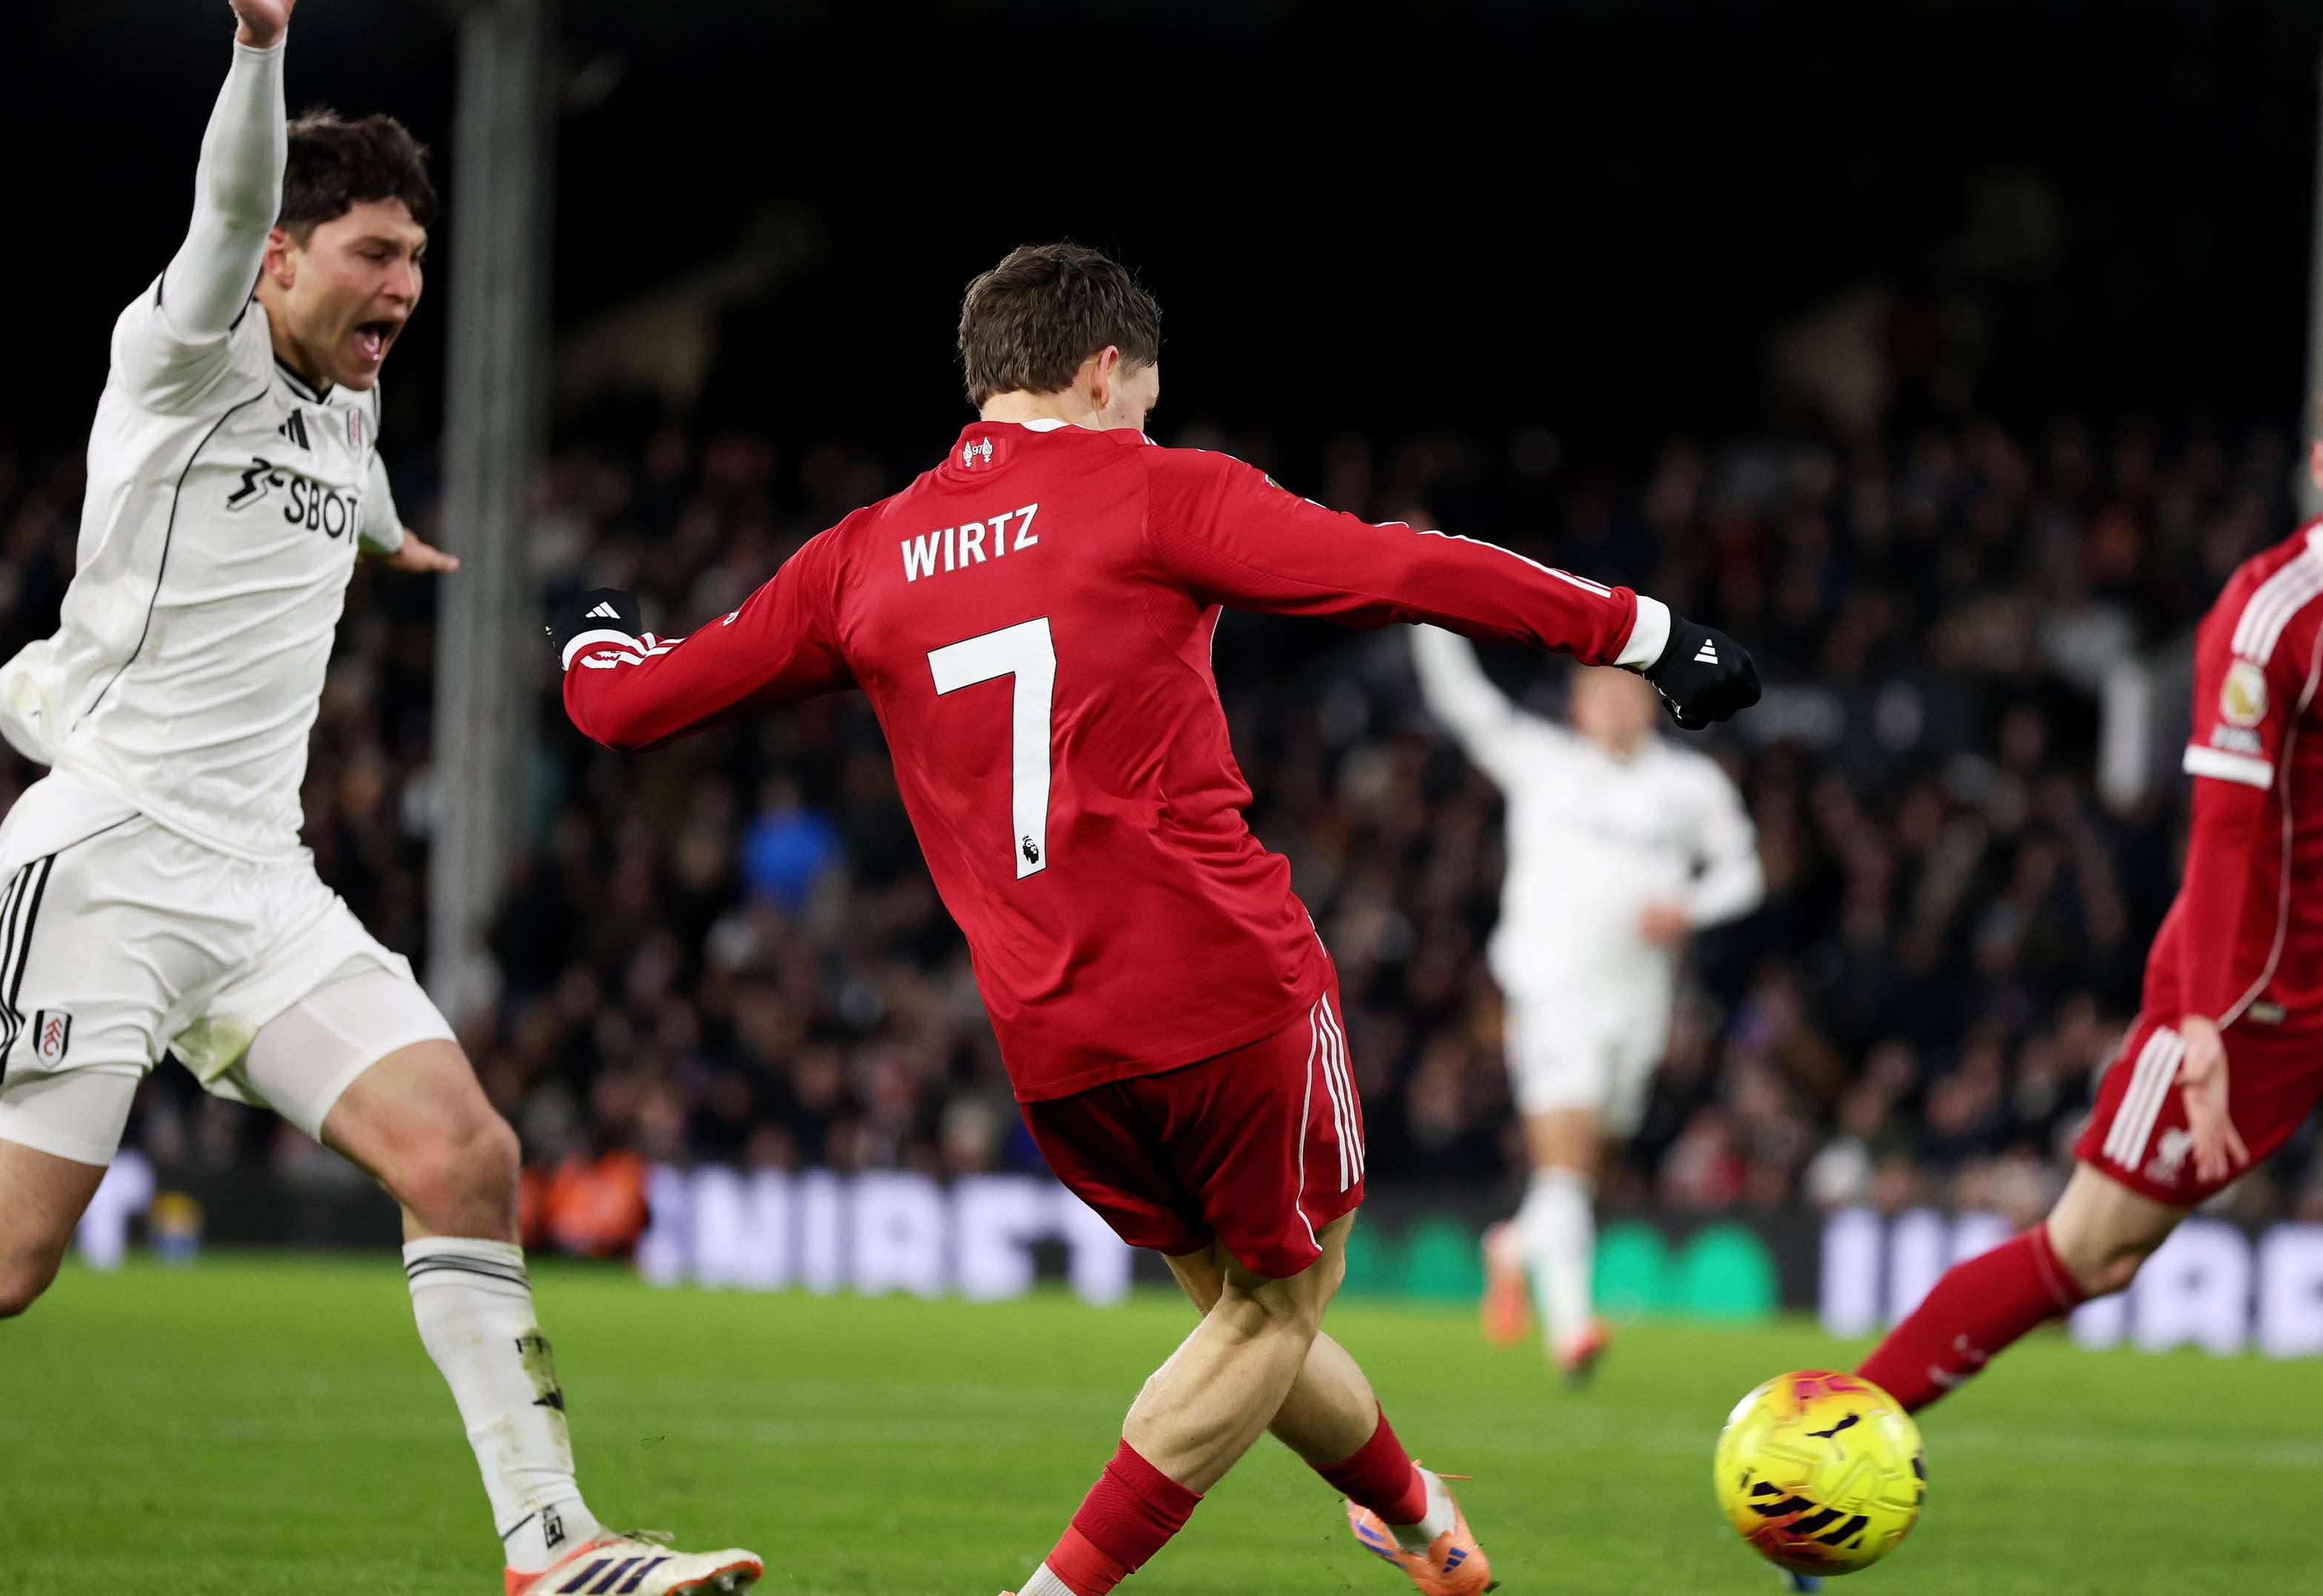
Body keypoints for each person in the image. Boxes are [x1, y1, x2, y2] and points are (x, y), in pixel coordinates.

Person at [550, 242, 1763, 1596]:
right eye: (1146, 395)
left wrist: (593, 626)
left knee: (1250, 1320)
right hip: (1222, 990)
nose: (1149, 418)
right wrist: (1648, 635)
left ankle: (1417, 1519)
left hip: (1050, 1039)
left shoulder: (862, 556)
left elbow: (625, 707)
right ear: (1101, 369)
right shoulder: (1151, 491)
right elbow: (1407, 570)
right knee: (1277, 1313)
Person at [0, 7, 760, 1593]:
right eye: (373, 253)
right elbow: (224, 206)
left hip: (265, 890)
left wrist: (388, 533)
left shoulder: (349, 402)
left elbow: (346, 466)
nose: (404, 286)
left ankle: (555, 1549)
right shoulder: (185, 351)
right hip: (107, 862)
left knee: (466, 1156)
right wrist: (261, 49)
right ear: (279, 260)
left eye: (416, 257)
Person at [1851, 346, 2323, 1596]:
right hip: (2245, 997)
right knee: (2088, 1255)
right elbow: (2220, 836)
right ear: (2322, 466)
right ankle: (1830, 1439)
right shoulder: (2268, 618)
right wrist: (2204, 1027)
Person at [1409, 625, 1761, 1382]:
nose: (1616, 708)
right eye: (1601, 695)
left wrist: (1690, 908)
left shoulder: (1689, 786)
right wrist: (1427, 610)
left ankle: (1514, 1245)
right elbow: (1461, 700)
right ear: (1577, 706)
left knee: (1586, 1169)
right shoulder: (1543, 763)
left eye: (1629, 694)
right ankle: (1571, 1330)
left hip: (1640, 1001)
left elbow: (1744, 873)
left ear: (1652, 702)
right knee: (1566, 1167)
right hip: (1552, 991)